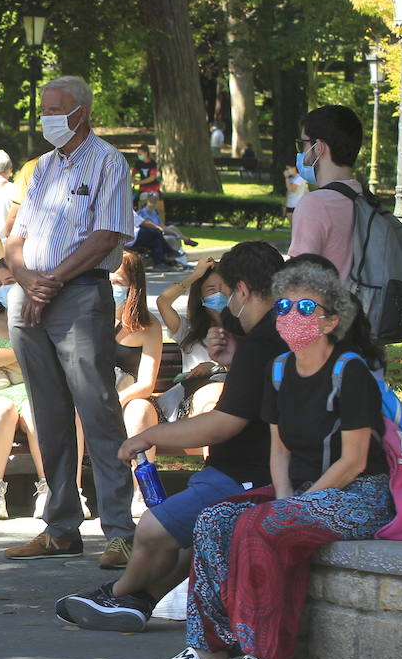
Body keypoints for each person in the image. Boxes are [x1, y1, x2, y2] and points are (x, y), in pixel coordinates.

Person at [156, 257, 389, 659]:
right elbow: (278, 449)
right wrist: (284, 496)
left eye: (305, 309)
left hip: (358, 495)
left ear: (330, 321)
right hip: (300, 490)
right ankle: (208, 648)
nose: (290, 317)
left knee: (261, 525)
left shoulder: (349, 371)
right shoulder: (279, 370)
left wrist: (298, 504)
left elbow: (354, 460)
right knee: (214, 520)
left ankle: (268, 656)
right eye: (284, 308)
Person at [57, 241, 286, 632]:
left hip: (246, 474)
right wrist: (234, 359)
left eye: (228, 294)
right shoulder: (265, 339)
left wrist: (149, 436)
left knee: (152, 529)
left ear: (243, 291)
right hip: (240, 468)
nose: (226, 304)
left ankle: (117, 594)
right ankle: (136, 601)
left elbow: (223, 423)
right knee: (191, 538)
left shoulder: (264, 343)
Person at [2, 76, 135, 567]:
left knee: (97, 411)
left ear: (82, 112)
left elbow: (106, 238)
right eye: (43, 109)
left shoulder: (108, 162)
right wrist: (25, 278)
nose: (47, 118)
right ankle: (59, 526)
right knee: (48, 413)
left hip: (77, 297)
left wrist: (49, 283)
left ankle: (120, 531)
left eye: (56, 109)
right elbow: (14, 237)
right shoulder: (41, 169)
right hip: (29, 296)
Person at [0, 260, 56, 521]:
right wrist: (25, 353)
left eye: (12, 282)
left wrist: (4, 355)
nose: (5, 288)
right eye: (0, 284)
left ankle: (47, 488)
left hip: (35, 390)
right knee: (2, 410)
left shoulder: (44, 318)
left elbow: (50, 358)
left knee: (37, 412)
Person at [111, 252, 164, 523]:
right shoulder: (87, 318)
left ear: (133, 284)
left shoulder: (148, 325)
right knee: (74, 410)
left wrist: (116, 400)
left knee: (140, 412)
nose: (111, 287)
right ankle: (73, 491)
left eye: (118, 282)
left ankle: (141, 491)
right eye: (106, 280)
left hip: (129, 396)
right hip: (90, 399)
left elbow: (146, 383)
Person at [287, 105, 364, 278]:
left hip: (329, 305)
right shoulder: (366, 199)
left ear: (319, 147)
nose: (302, 154)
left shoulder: (315, 204)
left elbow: (298, 279)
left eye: (303, 145)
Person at [148, 258, 227, 426]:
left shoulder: (243, 329)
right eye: (211, 289)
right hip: (192, 398)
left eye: (223, 288)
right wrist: (195, 275)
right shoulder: (187, 330)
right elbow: (163, 302)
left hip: (228, 396)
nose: (219, 294)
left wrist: (213, 367)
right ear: (201, 296)